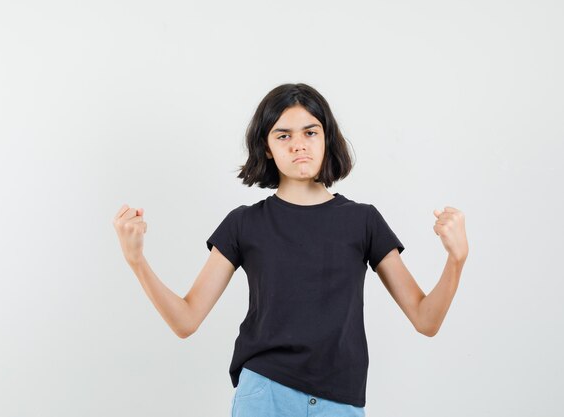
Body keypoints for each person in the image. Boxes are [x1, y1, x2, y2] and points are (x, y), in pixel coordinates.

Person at [112, 83, 469, 417]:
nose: (299, 145)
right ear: (268, 147)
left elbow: (426, 320)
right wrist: (136, 260)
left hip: (339, 400)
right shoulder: (243, 224)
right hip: (265, 394)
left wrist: (456, 259)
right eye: (284, 135)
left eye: (310, 132)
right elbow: (186, 320)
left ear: (326, 138)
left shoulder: (364, 221)